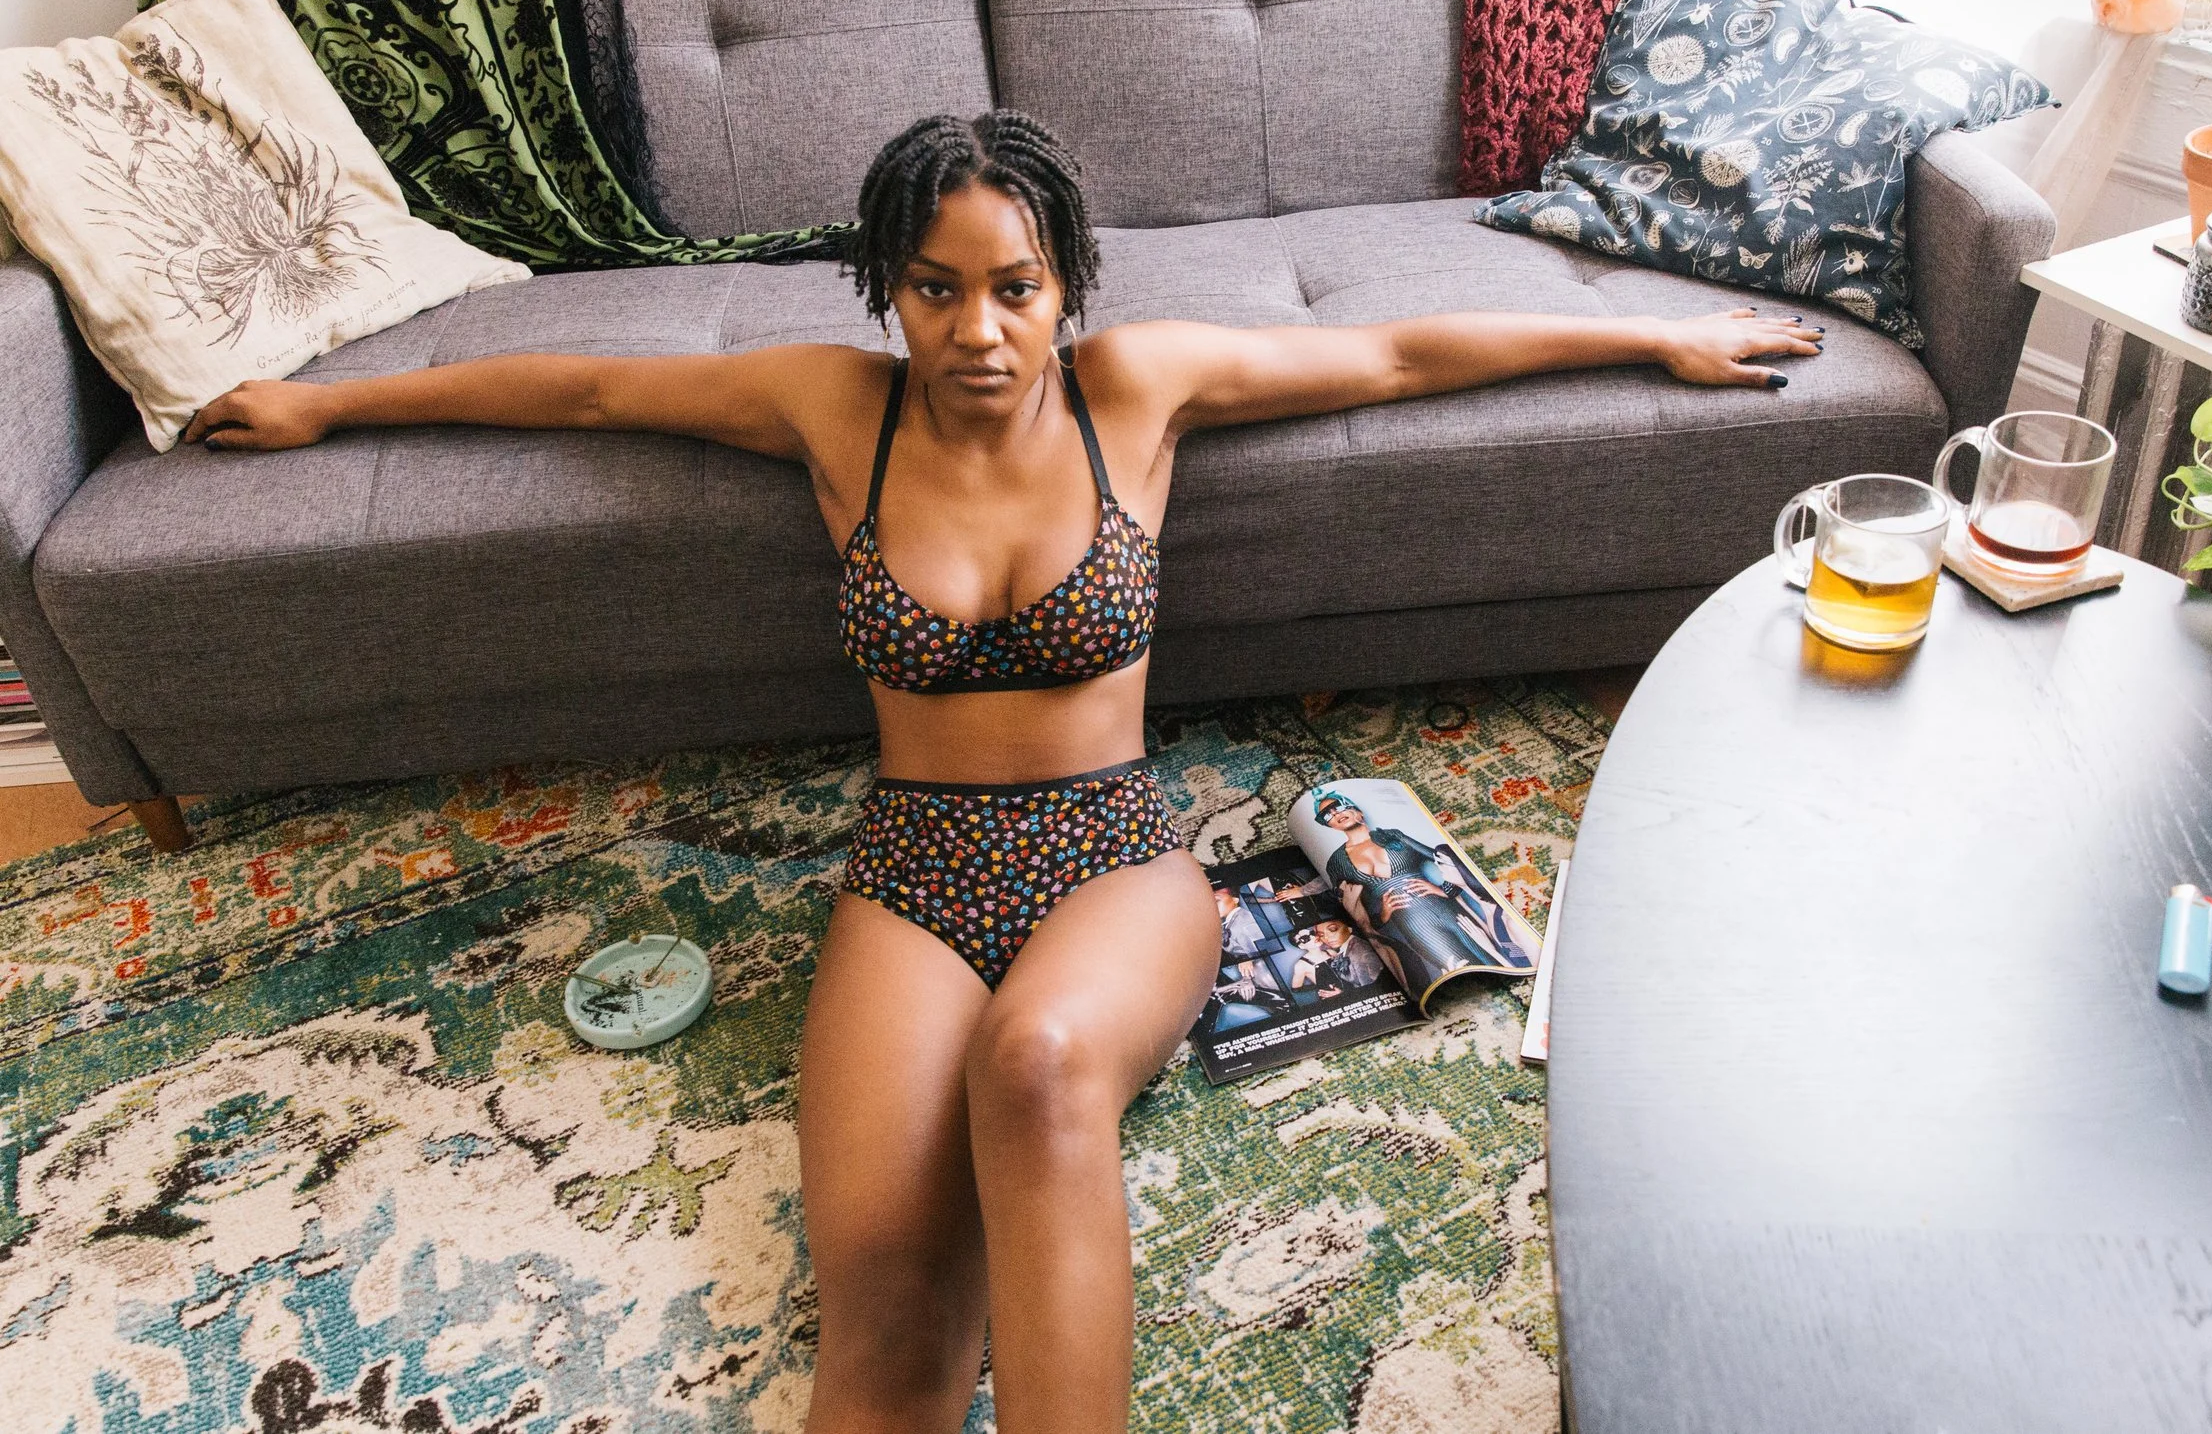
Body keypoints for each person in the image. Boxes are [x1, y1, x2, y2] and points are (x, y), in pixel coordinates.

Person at [180, 108, 1821, 1434]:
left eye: (1016, 287)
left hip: (1115, 856)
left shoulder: (1139, 389)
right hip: (913, 868)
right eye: (936, 288)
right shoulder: (837, 409)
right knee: (885, 1326)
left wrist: (1650, 342)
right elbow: (595, 383)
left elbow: (1393, 354)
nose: (978, 330)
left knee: (1037, 1066)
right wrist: (330, 410)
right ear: (889, 290)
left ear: (1067, 285)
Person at [1317, 792, 1513, 994]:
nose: (1335, 813)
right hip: (1414, 926)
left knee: (1491, 958)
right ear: (1329, 825)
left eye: (1338, 806)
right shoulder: (1336, 862)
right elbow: (1352, 916)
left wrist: (1445, 890)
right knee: (1465, 972)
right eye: (1327, 815)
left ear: (1358, 811)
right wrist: (1383, 915)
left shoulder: (1392, 835)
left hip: (1447, 910)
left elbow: (1447, 858)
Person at [1289, 917, 1388, 1000]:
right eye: (1305, 938)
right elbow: (1296, 989)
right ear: (1301, 946)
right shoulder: (1301, 965)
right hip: (1332, 999)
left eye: (1312, 933)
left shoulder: (1330, 952)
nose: (1313, 937)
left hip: (1352, 991)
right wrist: (1320, 986)